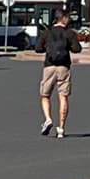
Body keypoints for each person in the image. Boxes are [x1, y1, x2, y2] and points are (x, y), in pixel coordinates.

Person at [38, 11, 79, 139]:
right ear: (64, 18)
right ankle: (61, 128)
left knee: (45, 95)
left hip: (49, 66)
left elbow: (38, 48)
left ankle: (48, 119)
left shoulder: (47, 33)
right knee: (63, 96)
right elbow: (77, 49)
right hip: (64, 66)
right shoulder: (69, 33)